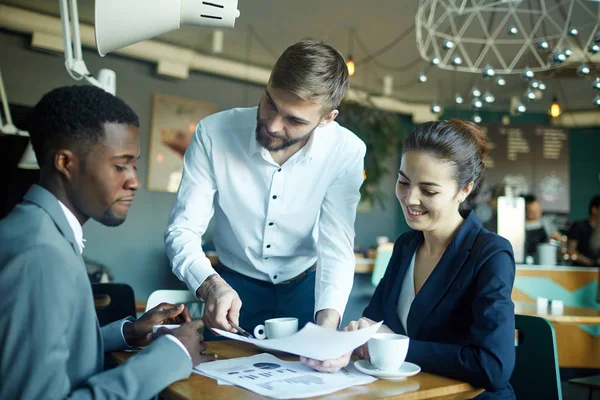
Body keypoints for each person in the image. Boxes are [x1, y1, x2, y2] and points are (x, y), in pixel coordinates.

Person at [0, 86, 214, 399]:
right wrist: (172, 354)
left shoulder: (37, 230)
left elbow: (52, 349)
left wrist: (127, 332)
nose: (134, 181)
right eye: (120, 165)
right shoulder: (41, 254)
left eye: (135, 165)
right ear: (65, 162)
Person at [165, 39, 366, 338]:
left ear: (327, 119)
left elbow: (336, 244)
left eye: (294, 120)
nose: (272, 125)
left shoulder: (346, 150)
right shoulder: (213, 133)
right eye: (271, 103)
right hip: (231, 288)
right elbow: (182, 230)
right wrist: (211, 285)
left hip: (306, 291)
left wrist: (328, 324)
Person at [306, 120, 516, 399]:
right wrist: (347, 344)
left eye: (428, 191)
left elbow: (493, 367)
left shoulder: (490, 253)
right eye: (403, 182)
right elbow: (374, 324)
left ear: (464, 189)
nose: (410, 199)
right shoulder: (406, 245)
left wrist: (394, 344)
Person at [523, 194, 561, 259]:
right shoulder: (520, 225)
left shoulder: (546, 222)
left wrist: (556, 238)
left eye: (538, 209)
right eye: (532, 211)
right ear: (525, 211)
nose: (537, 213)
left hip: (545, 257)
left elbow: (558, 240)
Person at [567, 195, 600, 266]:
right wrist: (590, 262)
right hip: (580, 270)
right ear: (594, 209)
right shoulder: (579, 226)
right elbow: (571, 251)